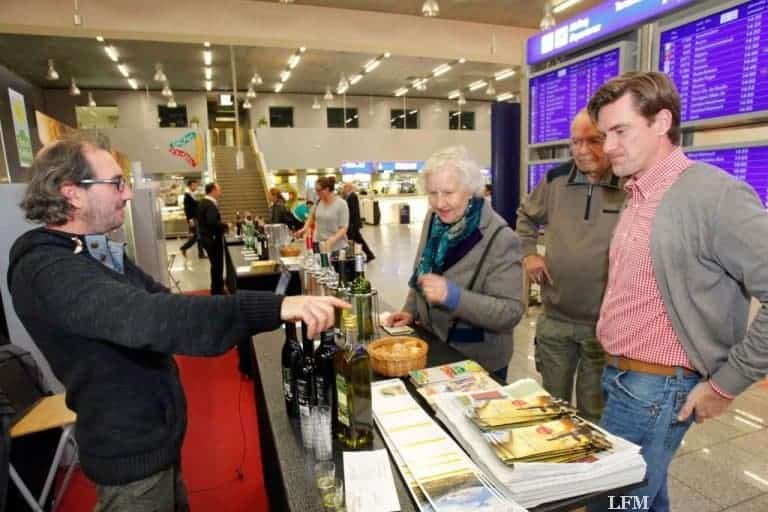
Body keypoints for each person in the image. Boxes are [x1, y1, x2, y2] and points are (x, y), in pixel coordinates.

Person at [7, 132, 346, 512]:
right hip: (129, 457)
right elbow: (154, 317)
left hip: (154, 440)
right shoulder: (49, 270)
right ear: (72, 193)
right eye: (116, 183)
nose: (128, 194)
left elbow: (163, 302)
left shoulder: (88, 253)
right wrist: (275, 307)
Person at [587, 71, 768, 511]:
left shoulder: (715, 196)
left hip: (656, 388)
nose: (607, 146)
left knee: (611, 505)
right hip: (622, 376)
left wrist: (726, 384)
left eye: (620, 131)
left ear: (661, 121)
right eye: (603, 134)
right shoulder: (639, 193)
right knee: (644, 501)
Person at [516, 109, 624, 423]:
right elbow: (525, 216)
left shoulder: (630, 183)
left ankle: (590, 468)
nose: (581, 150)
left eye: (593, 141)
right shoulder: (555, 179)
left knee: (594, 411)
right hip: (556, 319)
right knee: (553, 407)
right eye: (575, 141)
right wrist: (529, 253)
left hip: (603, 327)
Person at [387, 146, 524, 379]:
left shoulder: (500, 237)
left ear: (470, 191)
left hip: (478, 363)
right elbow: (421, 272)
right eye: (432, 193)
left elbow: (510, 312)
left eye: (448, 192)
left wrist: (454, 296)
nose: (440, 203)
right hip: (433, 347)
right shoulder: (434, 219)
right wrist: (410, 310)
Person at [295, 176, 349, 253]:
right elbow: (311, 218)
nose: (316, 193)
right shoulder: (317, 203)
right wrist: (303, 229)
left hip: (337, 247)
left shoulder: (341, 204)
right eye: (315, 190)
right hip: (318, 245)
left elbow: (343, 228)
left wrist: (331, 240)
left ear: (327, 189)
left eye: (318, 190)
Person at [197, 182, 227, 295]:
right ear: (213, 190)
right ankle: (217, 290)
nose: (220, 192)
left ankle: (216, 288)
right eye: (219, 189)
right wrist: (225, 225)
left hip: (206, 238)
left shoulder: (202, 203)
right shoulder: (210, 204)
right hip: (212, 239)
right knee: (217, 265)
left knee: (215, 265)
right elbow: (212, 222)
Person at [342, 182, 375, 262]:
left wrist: (350, 222)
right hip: (352, 224)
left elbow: (353, 211)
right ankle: (369, 255)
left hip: (353, 224)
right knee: (357, 240)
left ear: (349, 188)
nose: (344, 189)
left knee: (353, 240)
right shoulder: (348, 196)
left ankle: (351, 257)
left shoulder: (352, 196)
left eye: (345, 187)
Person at [178, 179, 203, 260]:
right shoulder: (187, 196)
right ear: (189, 186)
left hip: (196, 218)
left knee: (199, 236)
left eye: (196, 185)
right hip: (193, 219)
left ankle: (200, 253)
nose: (195, 186)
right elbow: (187, 209)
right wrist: (190, 219)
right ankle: (184, 248)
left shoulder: (192, 194)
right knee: (197, 236)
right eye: (193, 185)